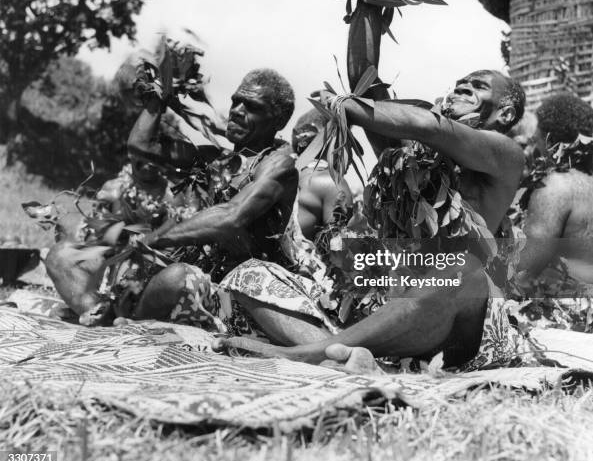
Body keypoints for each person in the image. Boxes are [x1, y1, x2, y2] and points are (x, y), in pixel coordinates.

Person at [214, 69, 527, 372]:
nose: (462, 86)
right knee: (249, 274)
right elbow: (368, 81)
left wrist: (346, 107)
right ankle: (344, 357)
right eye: (460, 82)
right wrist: (368, 13)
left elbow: (432, 127)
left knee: (462, 268)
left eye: (478, 85)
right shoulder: (414, 158)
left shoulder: (505, 152)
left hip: (463, 328)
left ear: (506, 113)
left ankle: (308, 353)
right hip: (397, 317)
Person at [45, 68, 299, 327]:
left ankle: (123, 318)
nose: (236, 110)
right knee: (62, 256)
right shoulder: (213, 158)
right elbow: (142, 147)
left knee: (179, 278)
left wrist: (150, 239)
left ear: (277, 121)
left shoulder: (279, 164)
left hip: (228, 290)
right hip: (170, 268)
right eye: (236, 101)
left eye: (251, 106)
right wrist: (159, 95)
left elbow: (231, 216)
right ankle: (102, 313)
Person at [516, 92, 593, 286]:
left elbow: (525, 269)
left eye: (536, 140)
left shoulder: (556, 186)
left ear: (548, 139)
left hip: (571, 308)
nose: (533, 149)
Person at [291, 109, 353, 240]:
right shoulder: (331, 183)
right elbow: (339, 252)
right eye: (349, 144)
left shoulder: (272, 171)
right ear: (338, 142)